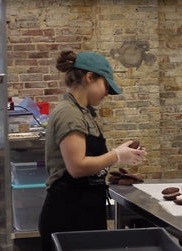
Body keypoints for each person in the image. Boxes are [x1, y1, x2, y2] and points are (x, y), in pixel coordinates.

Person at [38, 51, 147, 251]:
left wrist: (122, 155)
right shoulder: (69, 114)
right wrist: (116, 155)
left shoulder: (84, 113)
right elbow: (77, 167)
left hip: (86, 210)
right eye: (106, 86)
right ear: (90, 77)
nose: (106, 93)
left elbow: (91, 161)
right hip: (68, 215)